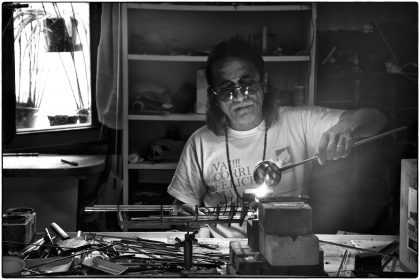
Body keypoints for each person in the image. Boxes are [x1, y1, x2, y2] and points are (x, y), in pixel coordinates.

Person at [167, 38, 387, 237]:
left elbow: (376, 118)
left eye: (247, 84)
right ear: (215, 97)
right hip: (222, 255)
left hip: (288, 246)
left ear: (263, 83)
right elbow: (182, 209)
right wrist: (186, 219)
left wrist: (347, 127)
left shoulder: (298, 122)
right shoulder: (201, 143)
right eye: (227, 90)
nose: (240, 96)